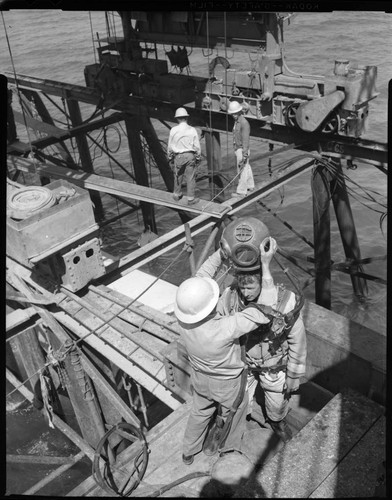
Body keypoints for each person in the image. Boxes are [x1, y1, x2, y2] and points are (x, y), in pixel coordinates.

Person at [196, 218, 307, 444]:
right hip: (243, 365)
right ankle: (226, 424)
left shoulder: (284, 302)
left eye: (251, 287)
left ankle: (277, 421)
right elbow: (199, 285)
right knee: (233, 404)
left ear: (261, 282)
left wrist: (294, 376)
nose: (246, 292)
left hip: (273, 368)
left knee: (276, 405)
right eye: (242, 286)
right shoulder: (229, 298)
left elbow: (298, 340)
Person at [174, 268, 271, 466]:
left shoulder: (183, 322)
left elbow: (196, 283)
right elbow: (263, 313)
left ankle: (188, 451)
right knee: (233, 414)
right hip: (227, 384)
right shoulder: (225, 327)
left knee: (199, 413)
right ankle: (228, 450)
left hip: (200, 378)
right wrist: (267, 269)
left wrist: (220, 254)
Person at [167, 107, 202, 205]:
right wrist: (198, 157)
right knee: (190, 177)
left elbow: (170, 146)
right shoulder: (192, 129)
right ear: (186, 118)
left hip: (178, 156)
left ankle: (176, 194)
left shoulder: (173, 130)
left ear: (177, 118)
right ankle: (190, 199)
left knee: (178, 175)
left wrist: (169, 157)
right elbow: (197, 146)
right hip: (190, 156)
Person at [227, 100, 255, 197]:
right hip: (238, 148)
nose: (234, 115)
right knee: (246, 167)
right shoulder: (237, 122)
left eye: (235, 113)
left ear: (239, 112)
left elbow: (246, 139)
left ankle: (241, 191)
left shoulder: (244, 123)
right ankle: (250, 186)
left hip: (242, 149)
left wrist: (244, 153)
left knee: (241, 169)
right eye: (232, 114)